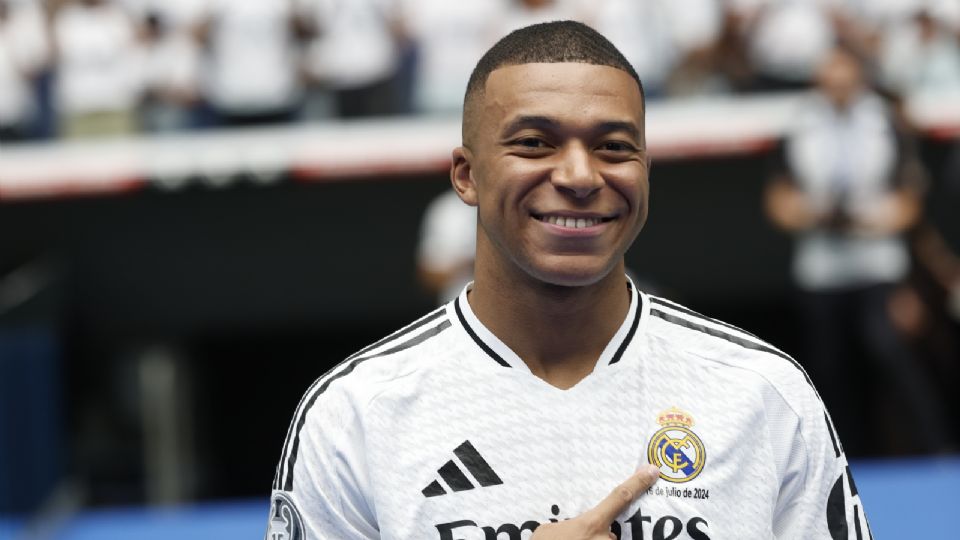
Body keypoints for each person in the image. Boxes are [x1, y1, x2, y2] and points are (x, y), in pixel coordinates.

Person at [268, 21, 869, 539]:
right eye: (535, 143)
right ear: (466, 176)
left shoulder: (762, 394)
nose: (581, 175)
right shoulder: (357, 415)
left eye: (613, 147)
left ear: (646, 173)